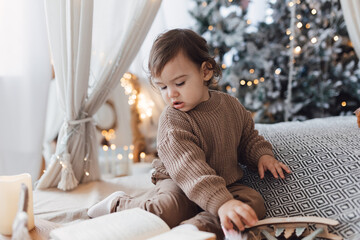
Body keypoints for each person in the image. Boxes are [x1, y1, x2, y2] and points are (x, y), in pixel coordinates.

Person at [88, 28, 291, 239]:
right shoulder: (172, 119)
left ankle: (194, 230)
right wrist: (222, 202)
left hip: (224, 182)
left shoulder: (231, 105)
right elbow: (189, 167)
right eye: (163, 87)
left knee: (253, 202)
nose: (171, 94)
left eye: (179, 83)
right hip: (179, 181)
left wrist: (262, 155)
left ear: (205, 71)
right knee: (168, 211)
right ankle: (119, 205)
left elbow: (248, 137)